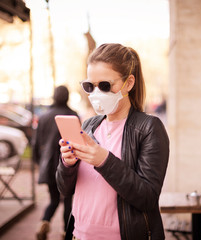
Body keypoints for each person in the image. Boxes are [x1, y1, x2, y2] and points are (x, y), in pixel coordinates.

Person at [56, 43, 170, 240]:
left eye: (105, 85)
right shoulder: (89, 125)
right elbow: (64, 189)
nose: (97, 93)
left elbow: (148, 198)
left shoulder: (149, 128)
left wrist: (104, 161)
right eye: (90, 86)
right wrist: (67, 163)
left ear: (129, 83)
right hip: (79, 235)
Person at [33, 85, 79, 240]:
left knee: (53, 199)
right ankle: (67, 232)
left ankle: (43, 224)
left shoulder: (44, 116)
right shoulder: (73, 115)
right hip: (67, 165)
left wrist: (39, 162)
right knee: (67, 201)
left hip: (48, 166)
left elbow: (36, 143)